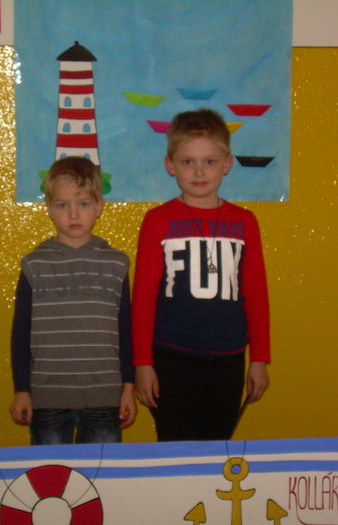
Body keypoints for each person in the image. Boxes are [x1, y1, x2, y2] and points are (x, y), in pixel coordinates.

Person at [132, 108, 270, 441]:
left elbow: (255, 294)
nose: (198, 172)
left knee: (217, 450)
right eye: (187, 162)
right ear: (170, 165)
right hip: (171, 357)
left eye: (209, 161)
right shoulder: (157, 221)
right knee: (176, 449)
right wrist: (142, 364)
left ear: (227, 163)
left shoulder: (245, 223)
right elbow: (144, 298)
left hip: (228, 360)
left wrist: (259, 359)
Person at [9, 156, 136, 445]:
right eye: (62, 205)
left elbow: (125, 330)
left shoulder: (116, 264)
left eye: (84, 204)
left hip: (105, 396)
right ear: (49, 208)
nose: (74, 214)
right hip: (48, 398)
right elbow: (21, 333)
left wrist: (128, 387)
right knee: (53, 470)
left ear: (99, 206)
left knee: (102, 471)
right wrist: (22, 389)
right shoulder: (35, 264)